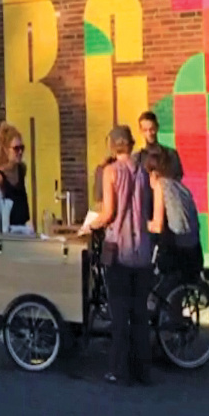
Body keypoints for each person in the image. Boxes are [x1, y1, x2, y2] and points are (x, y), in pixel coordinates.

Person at [81, 126, 155, 387]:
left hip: (119, 249)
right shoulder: (143, 173)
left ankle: (118, 370)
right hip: (142, 250)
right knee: (139, 313)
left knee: (119, 313)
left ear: (113, 146)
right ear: (132, 144)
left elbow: (109, 212)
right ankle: (142, 370)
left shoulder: (111, 172)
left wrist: (91, 225)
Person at [145, 149, 200, 285]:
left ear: (154, 174)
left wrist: (140, 224)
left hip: (177, 253)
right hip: (195, 252)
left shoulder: (160, 185)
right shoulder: (182, 188)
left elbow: (158, 226)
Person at [0, 123, 32, 233]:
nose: (20, 152)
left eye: (22, 148)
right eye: (16, 149)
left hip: (22, 234)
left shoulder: (21, 170)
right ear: (6, 150)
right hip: (6, 237)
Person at [136, 111, 183, 180]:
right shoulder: (137, 158)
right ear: (140, 131)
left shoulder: (170, 154)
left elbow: (177, 178)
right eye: (145, 130)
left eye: (152, 129)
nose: (149, 133)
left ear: (157, 127)